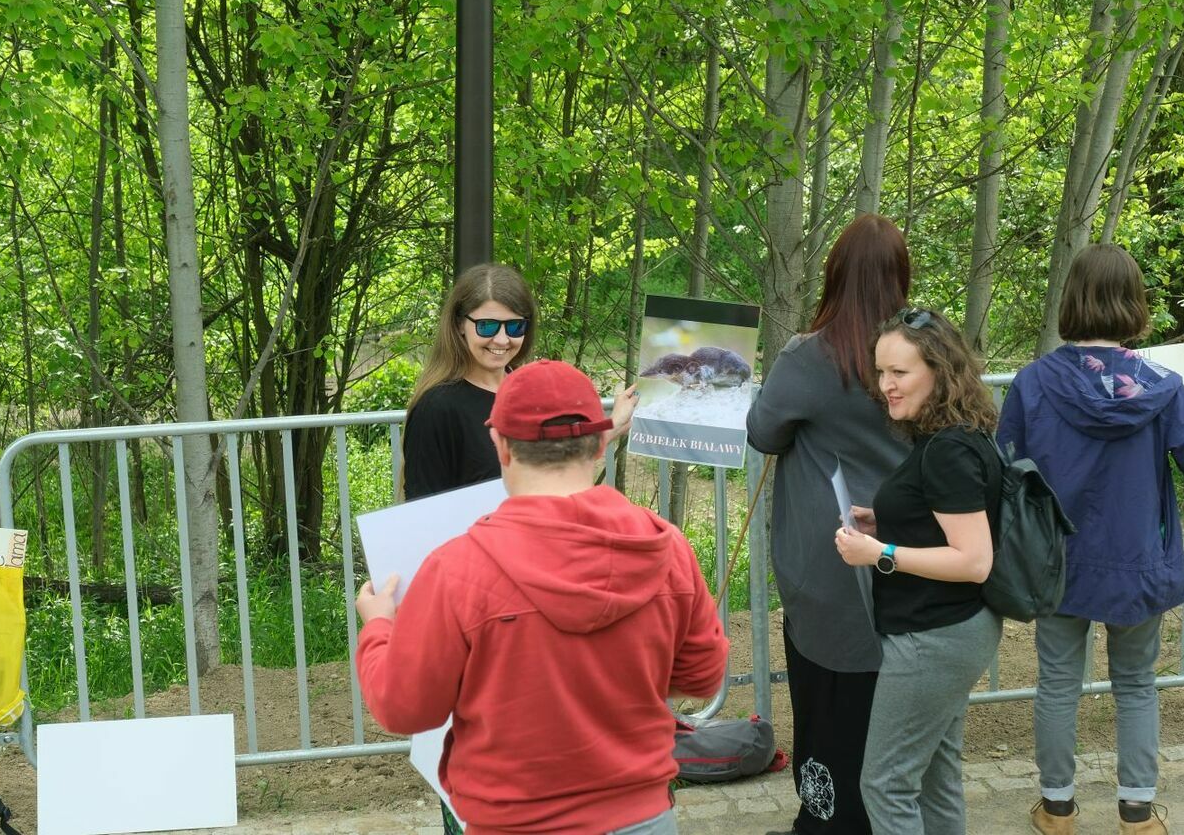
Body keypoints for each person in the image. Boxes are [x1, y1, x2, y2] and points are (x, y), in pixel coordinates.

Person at [356, 359, 729, 835]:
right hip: (644, 817)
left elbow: (405, 706)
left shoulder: (457, 570)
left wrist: (378, 628)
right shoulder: (666, 547)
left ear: (501, 446)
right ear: (598, 443)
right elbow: (701, 674)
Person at [998, 244, 1184, 835]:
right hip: (1136, 561)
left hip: (1057, 560)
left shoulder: (1032, 383)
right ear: (1134, 303)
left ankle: (1057, 809)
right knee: (1136, 684)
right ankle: (1138, 815)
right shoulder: (1163, 383)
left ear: (1072, 300)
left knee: (1055, 683)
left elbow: (1003, 470)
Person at [746, 213, 911, 835]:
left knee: (826, 699)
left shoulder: (812, 356)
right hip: (908, 548)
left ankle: (825, 820)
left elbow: (764, 432)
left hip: (829, 558)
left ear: (834, 275)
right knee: (888, 698)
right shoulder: (921, 349)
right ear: (900, 277)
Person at [835, 307, 1003, 835]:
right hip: (951, 629)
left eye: (899, 373)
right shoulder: (954, 434)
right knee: (936, 778)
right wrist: (887, 518)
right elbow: (949, 520)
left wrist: (881, 552)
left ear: (938, 369)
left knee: (885, 785)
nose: (885, 385)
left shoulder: (947, 450)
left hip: (934, 636)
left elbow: (974, 561)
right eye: (881, 372)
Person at [398, 262, 638, 501]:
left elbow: (553, 464)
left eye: (514, 326)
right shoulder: (437, 408)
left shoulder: (529, 389)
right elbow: (422, 513)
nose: (502, 340)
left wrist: (611, 425)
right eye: (487, 326)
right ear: (460, 324)